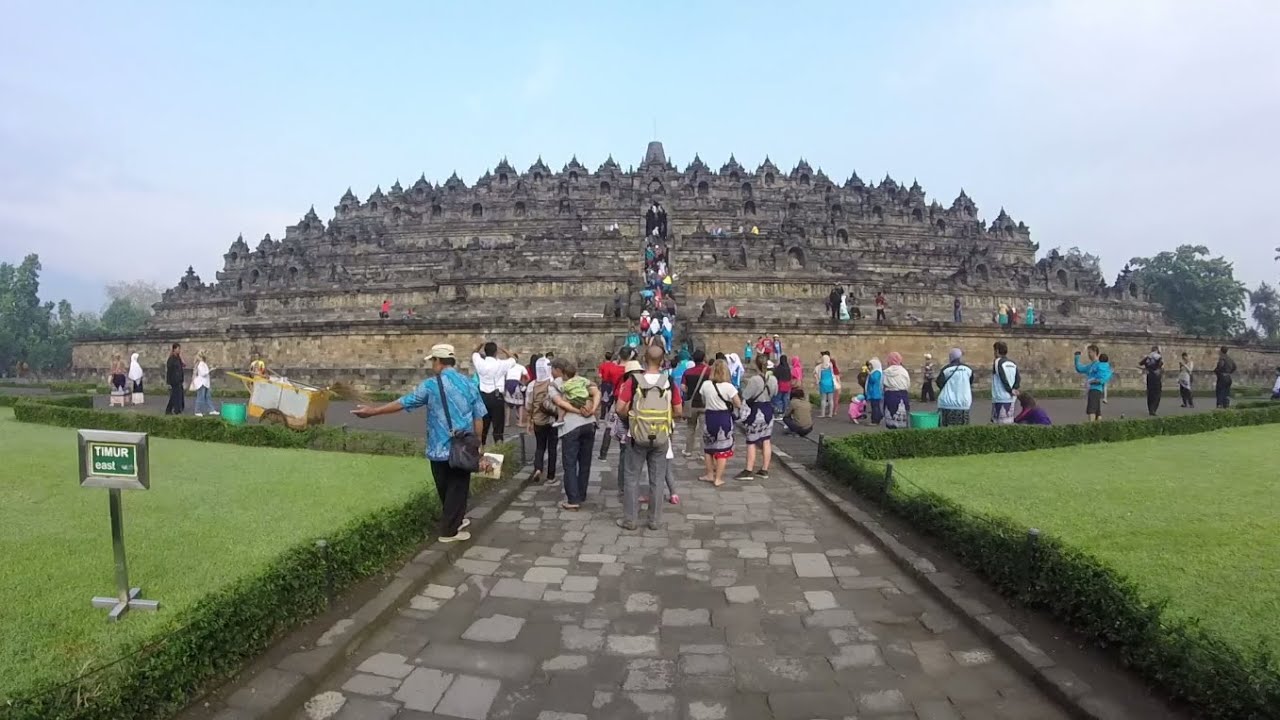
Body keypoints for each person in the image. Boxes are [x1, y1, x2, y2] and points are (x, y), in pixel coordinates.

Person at [353, 344, 485, 542]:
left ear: (438, 361)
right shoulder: (469, 384)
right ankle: (451, 528)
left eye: (433, 360)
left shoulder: (430, 386)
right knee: (458, 488)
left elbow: (404, 402)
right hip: (462, 447)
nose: (432, 364)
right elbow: (479, 417)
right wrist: (479, 442)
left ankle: (450, 527)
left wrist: (373, 411)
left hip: (438, 446)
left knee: (445, 487)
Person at [615, 344, 682, 530]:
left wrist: (631, 418)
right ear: (662, 361)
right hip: (661, 436)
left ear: (644, 359)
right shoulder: (668, 382)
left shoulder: (634, 381)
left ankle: (630, 520)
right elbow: (679, 410)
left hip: (636, 435)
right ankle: (654, 520)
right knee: (658, 479)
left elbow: (619, 408)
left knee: (631, 477)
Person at [547, 358, 600, 510]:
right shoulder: (582, 380)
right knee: (585, 462)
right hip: (589, 423)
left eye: (553, 369)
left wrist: (576, 411)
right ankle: (581, 493)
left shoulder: (555, 385)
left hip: (571, 427)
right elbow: (596, 392)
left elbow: (560, 403)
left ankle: (573, 499)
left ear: (558, 370)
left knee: (569, 463)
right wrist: (592, 410)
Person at [699, 359, 742, 488]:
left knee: (708, 448)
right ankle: (718, 478)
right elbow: (738, 403)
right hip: (723, 417)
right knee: (722, 450)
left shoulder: (706, 385)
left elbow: (703, 399)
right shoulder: (729, 387)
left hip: (710, 416)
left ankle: (709, 474)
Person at [736, 355, 779, 481]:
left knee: (751, 441)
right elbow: (775, 393)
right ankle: (764, 469)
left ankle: (749, 469)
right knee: (766, 440)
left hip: (756, 411)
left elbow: (746, 395)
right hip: (768, 411)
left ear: (756, 365)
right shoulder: (773, 379)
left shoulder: (754, 380)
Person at [472, 341, 517, 444]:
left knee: (483, 427)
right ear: (496, 352)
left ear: (485, 351)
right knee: (498, 428)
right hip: (496, 396)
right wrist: (504, 349)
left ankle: (480, 449)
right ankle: (499, 450)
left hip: (483, 396)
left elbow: (474, 353)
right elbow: (514, 359)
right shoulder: (501, 364)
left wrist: (480, 344)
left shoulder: (480, 363)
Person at [524, 358, 558, 485]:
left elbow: (528, 405)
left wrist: (529, 420)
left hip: (538, 420)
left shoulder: (532, 385)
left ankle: (538, 468)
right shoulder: (553, 383)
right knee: (552, 448)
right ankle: (551, 476)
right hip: (552, 420)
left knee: (540, 446)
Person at [680, 350, 712, 458]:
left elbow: (683, 388)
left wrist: (689, 391)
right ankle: (703, 452)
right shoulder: (709, 371)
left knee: (690, 427)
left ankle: (688, 450)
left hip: (692, 404)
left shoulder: (688, 372)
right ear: (704, 358)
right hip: (704, 403)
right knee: (703, 429)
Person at [936, 348, 975, 427]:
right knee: (962, 430)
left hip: (947, 403)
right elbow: (970, 381)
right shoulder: (968, 369)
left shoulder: (946, 369)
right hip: (963, 403)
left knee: (946, 428)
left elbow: (939, 382)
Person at [1074, 344, 1112, 422]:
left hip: (1095, 389)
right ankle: (1097, 431)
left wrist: (1096, 381)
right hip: (1093, 389)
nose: (1088, 354)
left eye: (1090, 352)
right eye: (1088, 352)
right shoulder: (1091, 365)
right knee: (1098, 413)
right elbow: (1080, 369)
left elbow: (1103, 377)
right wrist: (1077, 357)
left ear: (1095, 352)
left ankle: (1091, 429)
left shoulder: (1100, 364)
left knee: (1091, 411)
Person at [991, 341, 1021, 424]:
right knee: (1009, 422)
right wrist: (1014, 389)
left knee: (998, 424)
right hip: (1011, 398)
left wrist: (1009, 390)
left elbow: (1002, 376)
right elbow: (1018, 378)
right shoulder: (1013, 363)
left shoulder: (997, 362)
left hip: (1000, 397)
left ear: (997, 351)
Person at [882, 352, 911, 429]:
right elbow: (907, 384)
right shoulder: (904, 371)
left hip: (890, 396)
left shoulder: (886, 372)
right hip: (903, 395)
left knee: (890, 418)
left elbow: (882, 385)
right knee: (903, 420)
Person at [597, 351, 624, 421]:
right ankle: (609, 412)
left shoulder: (602, 365)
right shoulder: (614, 366)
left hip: (605, 383)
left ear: (605, 357)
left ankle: (602, 416)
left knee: (604, 399)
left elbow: (600, 375)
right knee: (611, 398)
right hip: (612, 383)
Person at [1138, 345, 1164, 416]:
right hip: (1156, 377)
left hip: (1149, 376)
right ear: (1157, 350)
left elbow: (1140, 363)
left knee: (1150, 393)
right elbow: (1161, 364)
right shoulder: (1158, 357)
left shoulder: (1148, 357)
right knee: (1157, 393)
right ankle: (1154, 409)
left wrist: (1146, 369)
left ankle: (1150, 409)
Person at [192, 351, 218, 417]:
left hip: (206, 383)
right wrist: (210, 370)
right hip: (202, 383)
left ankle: (211, 410)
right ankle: (197, 411)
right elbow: (203, 373)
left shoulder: (203, 363)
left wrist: (210, 369)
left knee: (208, 397)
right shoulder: (200, 364)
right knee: (200, 397)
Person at [814, 352, 839, 418]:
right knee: (831, 399)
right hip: (830, 383)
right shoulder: (830, 365)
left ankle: (823, 414)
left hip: (823, 384)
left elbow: (815, 373)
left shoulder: (819, 367)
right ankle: (830, 414)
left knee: (823, 399)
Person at [165, 343, 185, 415]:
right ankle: (170, 409)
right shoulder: (171, 359)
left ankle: (178, 409)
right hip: (174, 380)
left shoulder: (178, 358)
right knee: (174, 396)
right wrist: (168, 382)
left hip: (179, 379)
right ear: (174, 349)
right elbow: (169, 371)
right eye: (178, 349)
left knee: (179, 395)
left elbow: (180, 368)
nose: (179, 350)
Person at [865, 358, 884, 424]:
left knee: (875, 407)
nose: (869, 367)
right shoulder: (874, 371)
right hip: (873, 392)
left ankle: (875, 421)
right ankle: (879, 416)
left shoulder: (877, 372)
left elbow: (874, 380)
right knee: (875, 406)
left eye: (870, 365)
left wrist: (869, 374)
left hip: (875, 392)